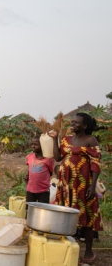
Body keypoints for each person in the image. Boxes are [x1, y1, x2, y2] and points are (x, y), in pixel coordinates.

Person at [48, 113, 102, 265]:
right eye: (72, 122)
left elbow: (96, 165)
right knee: (65, 216)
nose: (73, 124)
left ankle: (89, 251)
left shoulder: (90, 140)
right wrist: (55, 138)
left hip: (83, 185)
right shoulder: (67, 139)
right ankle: (66, 248)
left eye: (76, 122)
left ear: (85, 126)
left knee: (86, 217)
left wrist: (93, 186)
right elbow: (58, 158)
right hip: (66, 185)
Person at [24, 135, 55, 204]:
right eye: (32, 144)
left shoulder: (48, 159)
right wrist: (27, 176)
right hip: (30, 190)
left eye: (36, 144)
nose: (33, 146)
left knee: (43, 211)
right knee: (29, 210)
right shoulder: (30, 156)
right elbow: (29, 169)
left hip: (43, 190)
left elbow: (50, 173)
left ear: (43, 145)